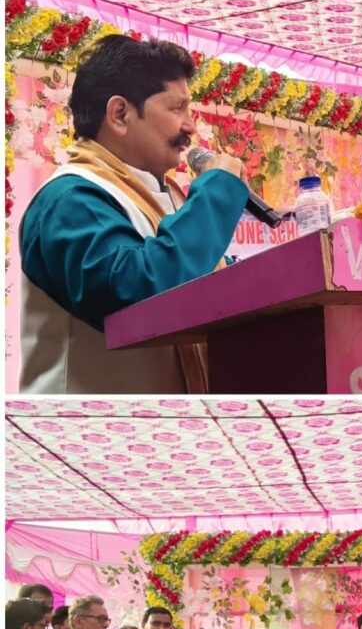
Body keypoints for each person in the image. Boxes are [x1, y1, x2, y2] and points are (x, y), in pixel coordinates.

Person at [19, 33, 249, 394]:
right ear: (120, 115)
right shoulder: (69, 199)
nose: (190, 126)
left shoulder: (164, 195)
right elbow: (139, 292)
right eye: (176, 108)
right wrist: (217, 194)